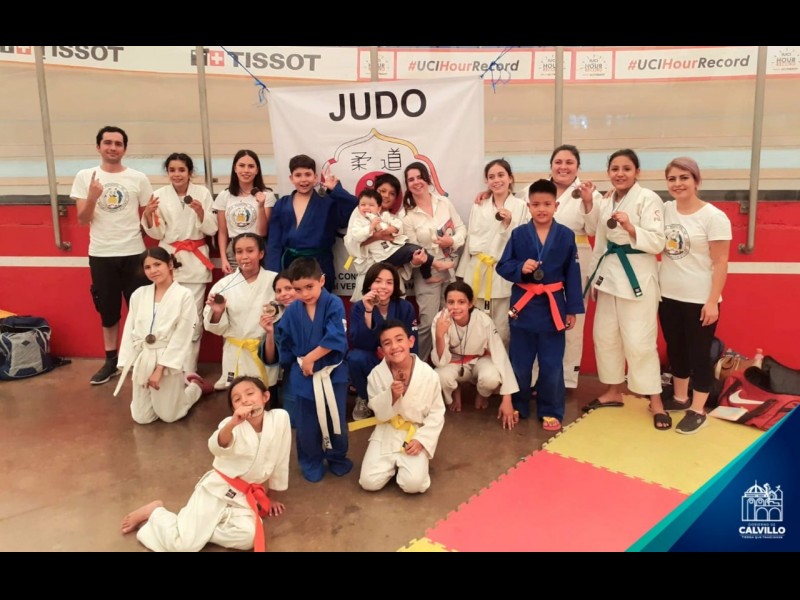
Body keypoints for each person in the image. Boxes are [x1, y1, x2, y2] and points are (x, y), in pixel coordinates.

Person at [121, 376, 291, 552]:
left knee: (249, 537)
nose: (245, 400)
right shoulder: (230, 425)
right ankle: (156, 513)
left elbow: (281, 457)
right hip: (216, 491)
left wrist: (272, 496)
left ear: (265, 396)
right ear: (234, 409)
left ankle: (197, 530)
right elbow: (216, 446)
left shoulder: (280, 419)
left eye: (250, 393)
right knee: (184, 547)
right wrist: (233, 423)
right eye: (237, 399)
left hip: (242, 498)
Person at [580, 149, 668, 429]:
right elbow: (599, 239)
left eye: (626, 169)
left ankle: (655, 401)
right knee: (605, 336)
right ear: (609, 172)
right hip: (609, 276)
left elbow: (658, 242)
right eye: (615, 169)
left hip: (637, 278)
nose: (620, 174)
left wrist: (631, 228)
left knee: (640, 341)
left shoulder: (649, 199)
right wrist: (595, 277)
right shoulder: (608, 200)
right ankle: (613, 390)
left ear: (637, 172)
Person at [496, 179, 584, 431]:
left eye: (547, 204)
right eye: (536, 205)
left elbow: (573, 274)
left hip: (553, 308)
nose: (541, 209)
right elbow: (503, 266)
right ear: (529, 207)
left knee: (552, 364)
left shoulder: (566, 235)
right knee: (520, 363)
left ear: (556, 206)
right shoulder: (518, 234)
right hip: (523, 308)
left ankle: (551, 409)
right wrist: (520, 267)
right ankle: (519, 404)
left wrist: (572, 309)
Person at [71, 125, 154, 385]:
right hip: (101, 253)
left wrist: (149, 216)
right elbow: (83, 219)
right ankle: (111, 361)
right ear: (98, 146)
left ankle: (142, 359)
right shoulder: (85, 176)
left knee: (141, 309)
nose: (113, 148)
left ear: (124, 149)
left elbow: (150, 218)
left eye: (118, 144)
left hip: (134, 253)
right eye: (108, 143)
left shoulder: (138, 178)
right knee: (108, 310)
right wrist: (93, 197)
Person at [659, 157, 732, 434]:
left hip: (700, 299)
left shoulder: (714, 217)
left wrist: (712, 301)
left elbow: (721, 262)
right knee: (676, 349)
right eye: (672, 179)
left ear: (696, 181)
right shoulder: (665, 210)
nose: (677, 184)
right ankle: (680, 398)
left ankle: (698, 409)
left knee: (699, 354)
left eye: (684, 178)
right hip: (668, 296)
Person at [274, 257, 352, 482]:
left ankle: (337, 457)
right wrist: (294, 362)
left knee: (335, 419)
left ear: (322, 281)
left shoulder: (333, 303)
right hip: (304, 375)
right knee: (306, 424)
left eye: (310, 286)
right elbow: (285, 341)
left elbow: (336, 336)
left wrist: (311, 357)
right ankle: (311, 461)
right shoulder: (292, 312)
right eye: (298, 289)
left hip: (332, 373)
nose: (305, 294)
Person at [141, 153, 218, 378]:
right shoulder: (159, 195)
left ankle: (189, 369)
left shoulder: (202, 193)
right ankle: (167, 367)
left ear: (190, 172)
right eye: (172, 170)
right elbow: (158, 233)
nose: (177, 174)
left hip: (195, 262)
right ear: (167, 172)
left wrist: (200, 213)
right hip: (169, 260)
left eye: (181, 170)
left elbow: (212, 228)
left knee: (192, 318)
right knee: (168, 316)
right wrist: (148, 215)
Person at [113, 247, 210, 422]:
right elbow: (130, 329)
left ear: (170, 264)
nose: (153, 270)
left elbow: (183, 335)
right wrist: (131, 364)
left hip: (167, 360)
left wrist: (160, 369)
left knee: (169, 416)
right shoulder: (139, 295)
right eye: (147, 267)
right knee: (142, 418)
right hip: (144, 356)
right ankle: (160, 398)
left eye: (157, 264)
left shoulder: (184, 295)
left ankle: (194, 387)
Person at [359, 319, 445, 494]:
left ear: (410, 341)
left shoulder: (428, 375)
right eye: (387, 343)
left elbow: (437, 413)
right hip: (387, 429)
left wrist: (422, 440)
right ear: (381, 351)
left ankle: (411, 466)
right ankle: (393, 466)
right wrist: (391, 396)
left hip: (415, 432)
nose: (394, 347)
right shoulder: (376, 375)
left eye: (399, 339)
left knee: (413, 485)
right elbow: (379, 414)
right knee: (368, 482)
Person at [457, 159, 529, 346]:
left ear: (510, 178)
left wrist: (509, 223)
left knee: (502, 328)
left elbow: (524, 241)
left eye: (501, 175)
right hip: (477, 269)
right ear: (486, 181)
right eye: (491, 177)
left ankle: (501, 362)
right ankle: (479, 361)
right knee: (476, 325)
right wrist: (463, 272)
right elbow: (470, 238)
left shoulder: (520, 206)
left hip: (504, 271)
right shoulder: (479, 205)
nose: (496, 180)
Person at [401, 161, 467, 362]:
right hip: (426, 275)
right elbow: (412, 251)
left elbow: (461, 228)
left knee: (451, 319)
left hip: (452, 268)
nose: (416, 182)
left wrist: (452, 241)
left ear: (427, 179)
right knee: (428, 322)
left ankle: (448, 365)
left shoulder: (444, 203)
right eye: (411, 179)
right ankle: (420, 367)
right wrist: (431, 266)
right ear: (407, 185)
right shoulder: (406, 215)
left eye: (419, 177)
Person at [430, 281, 519, 428]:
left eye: (461, 302)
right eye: (451, 302)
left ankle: (482, 394)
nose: (455, 307)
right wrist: (440, 335)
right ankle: (455, 391)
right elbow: (440, 361)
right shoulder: (440, 320)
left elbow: (500, 355)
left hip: (479, 360)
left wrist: (507, 399)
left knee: (491, 378)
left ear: (470, 303)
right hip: (453, 361)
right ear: (445, 303)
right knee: (440, 376)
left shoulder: (484, 320)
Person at [266, 155, 357, 292]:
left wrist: (336, 190)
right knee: (293, 302)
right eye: (298, 175)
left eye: (308, 174)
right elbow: (274, 242)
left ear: (315, 177)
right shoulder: (282, 204)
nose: (303, 179)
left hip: (320, 265)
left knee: (321, 303)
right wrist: (275, 274)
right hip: (290, 267)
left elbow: (353, 209)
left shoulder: (327, 203)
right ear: (291, 178)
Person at [203, 233, 278, 392]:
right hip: (236, 351)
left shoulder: (275, 281)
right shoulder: (223, 284)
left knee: (264, 395)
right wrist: (218, 312)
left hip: (264, 349)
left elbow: (286, 312)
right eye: (239, 252)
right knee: (237, 396)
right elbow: (214, 326)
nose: (244, 256)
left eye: (250, 251)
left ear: (261, 254)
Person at [347, 262, 419, 421]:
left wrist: (396, 358)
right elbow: (359, 343)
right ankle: (365, 399)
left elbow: (413, 344)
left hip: (398, 360)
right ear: (369, 284)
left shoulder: (405, 307)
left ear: (395, 285)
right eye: (378, 281)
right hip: (373, 360)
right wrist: (368, 310)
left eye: (389, 282)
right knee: (355, 358)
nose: (383, 287)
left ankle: (400, 395)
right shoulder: (359, 308)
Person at [345, 188, 453, 286]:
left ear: (379, 208)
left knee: (419, 250)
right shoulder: (358, 222)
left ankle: (427, 275)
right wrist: (371, 228)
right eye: (363, 205)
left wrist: (393, 229)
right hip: (383, 257)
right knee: (414, 250)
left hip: (393, 250)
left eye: (371, 205)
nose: (366, 208)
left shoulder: (383, 216)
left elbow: (398, 224)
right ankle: (436, 264)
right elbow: (356, 237)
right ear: (358, 207)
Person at [213, 149, 275, 275]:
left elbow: (263, 231)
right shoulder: (224, 196)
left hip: (257, 249)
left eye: (251, 166)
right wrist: (224, 259)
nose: (246, 170)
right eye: (241, 166)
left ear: (257, 170)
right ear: (235, 168)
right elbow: (222, 232)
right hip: (234, 250)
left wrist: (261, 206)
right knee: (233, 286)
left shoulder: (267, 195)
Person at [258, 270, 298, 427]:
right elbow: (270, 359)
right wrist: (269, 332)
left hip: (320, 371)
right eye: (279, 291)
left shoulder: (319, 309)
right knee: (293, 422)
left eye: (288, 288)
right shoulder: (278, 319)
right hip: (293, 375)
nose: (283, 294)